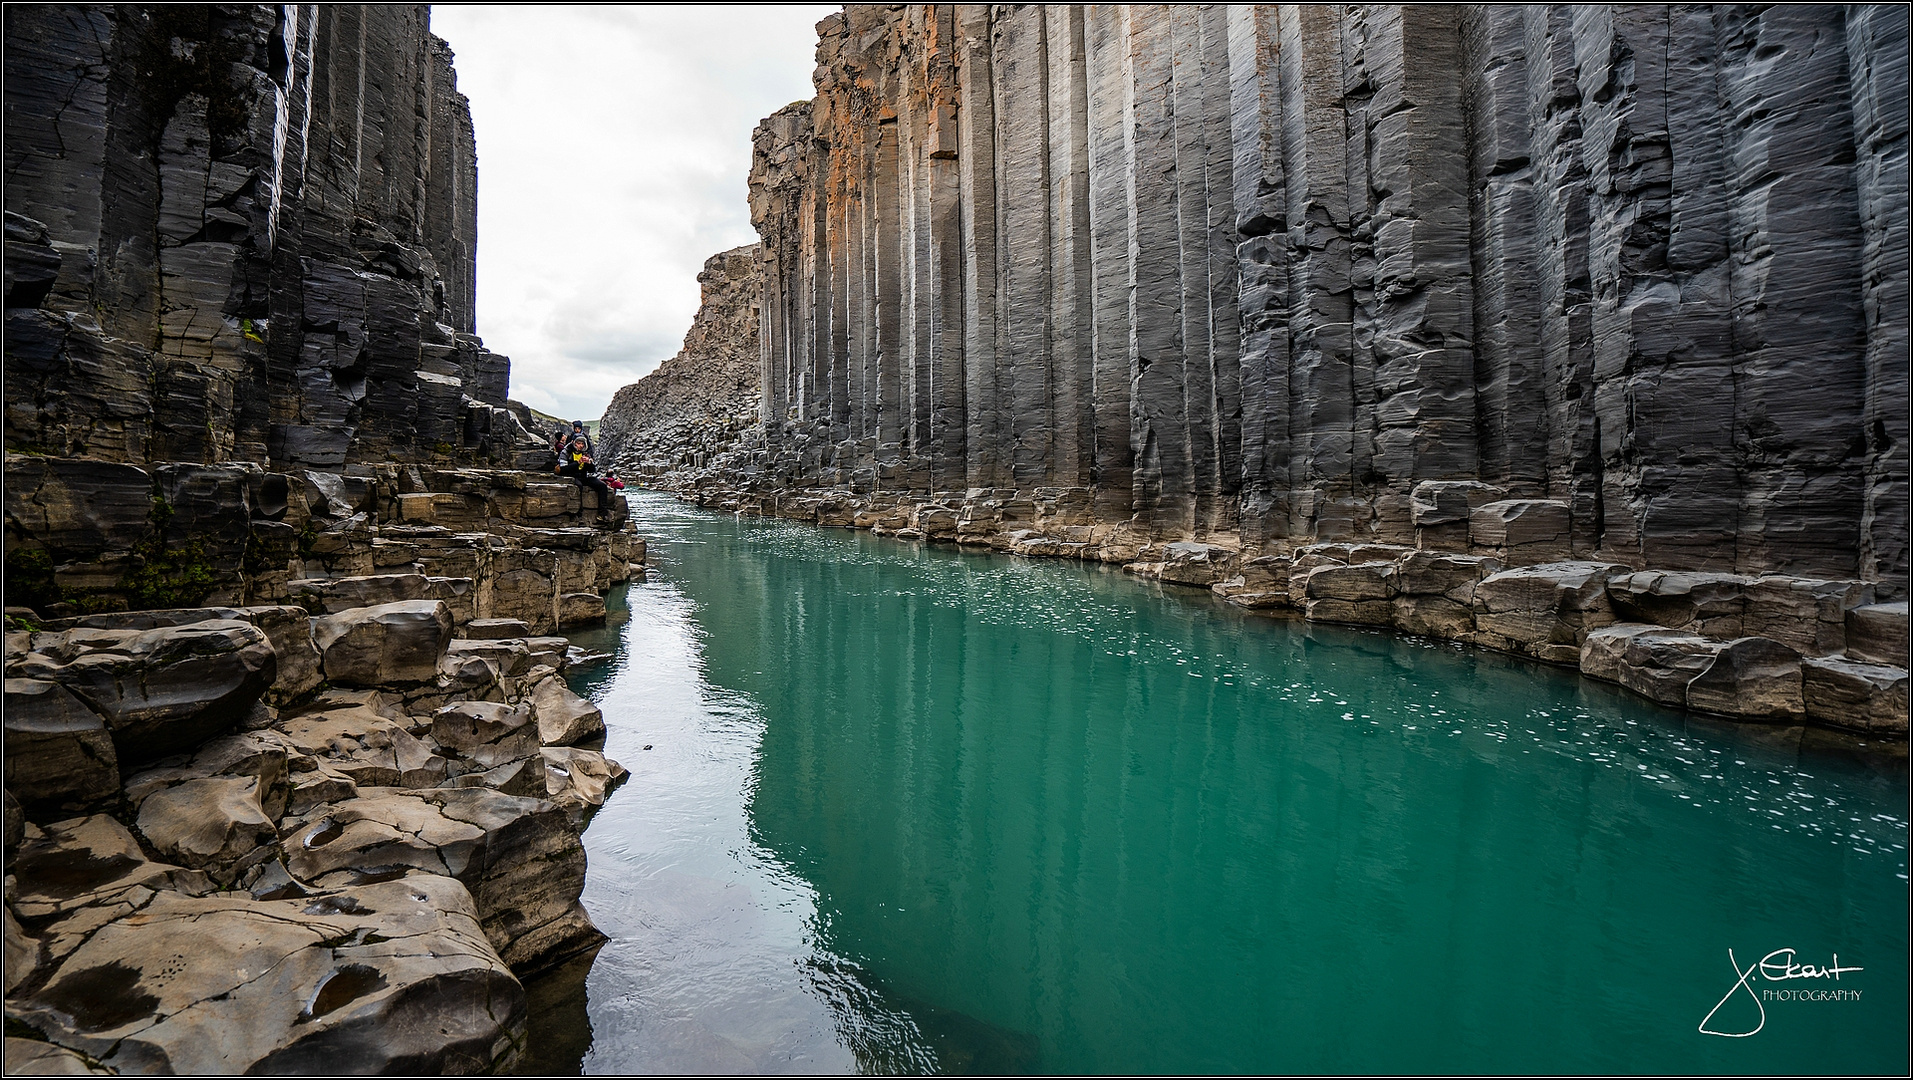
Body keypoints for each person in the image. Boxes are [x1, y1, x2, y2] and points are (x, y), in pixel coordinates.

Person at [555, 420, 612, 522]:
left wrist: (589, 464)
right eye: (578, 443)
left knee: (602, 486)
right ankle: (579, 514)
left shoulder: (585, 453)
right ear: (573, 442)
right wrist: (577, 463)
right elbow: (563, 469)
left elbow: (592, 470)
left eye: (582, 443)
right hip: (570, 477)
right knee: (579, 486)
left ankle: (602, 514)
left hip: (583, 476)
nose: (580, 445)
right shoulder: (566, 452)